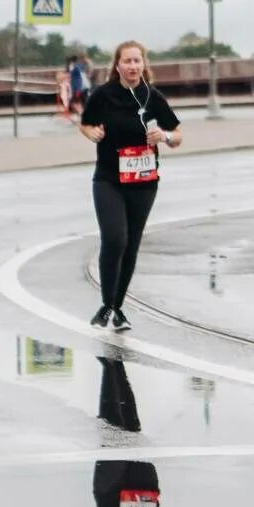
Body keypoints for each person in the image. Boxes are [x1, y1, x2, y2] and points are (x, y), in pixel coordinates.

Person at [82, 40, 183, 330]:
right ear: (117, 65)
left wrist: (163, 136)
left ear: (144, 65)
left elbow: (178, 136)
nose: (132, 66)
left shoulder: (153, 97)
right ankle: (106, 303)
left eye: (137, 61)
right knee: (115, 239)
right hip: (109, 179)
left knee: (131, 245)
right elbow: (85, 123)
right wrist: (92, 133)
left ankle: (117, 307)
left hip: (144, 182)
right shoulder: (103, 95)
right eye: (127, 61)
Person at [82, 358, 183, 507]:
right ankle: (117, 366)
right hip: (144, 486)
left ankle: (109, 367)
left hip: (111, 491)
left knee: (113, 431)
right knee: (132, 428)